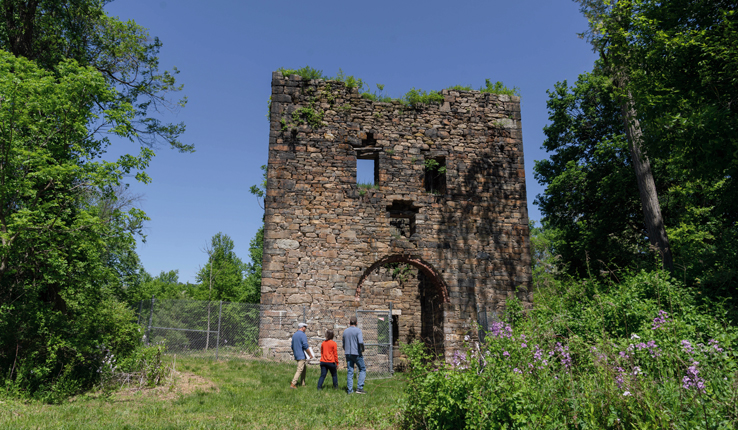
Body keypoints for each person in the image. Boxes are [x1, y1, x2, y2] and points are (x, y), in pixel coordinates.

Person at [342, 316, 366, 394]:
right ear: (357, 323)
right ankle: (359, 388)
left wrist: (346, 350)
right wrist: (362, 349)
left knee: (350, 371)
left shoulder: (345, 331)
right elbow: (360, 342)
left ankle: (350, 390)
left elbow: (343, 343)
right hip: (356, 353)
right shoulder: (358, 331)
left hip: (348, 353)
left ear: (349, 323)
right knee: (362, 369)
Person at [290, 322, 313, 389]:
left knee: (303, 369)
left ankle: (303, 383)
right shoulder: (303, 335)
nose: (306, 328)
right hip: (301, 355)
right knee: (300, 369)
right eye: (305, 327)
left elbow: (292, 346)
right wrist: (310, 354)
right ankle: (293, 384)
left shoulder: (294, 335)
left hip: (296, 354)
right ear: (302, 327)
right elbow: (305, 345)